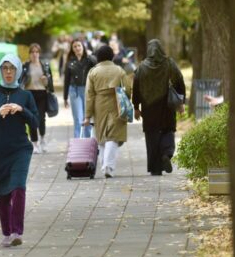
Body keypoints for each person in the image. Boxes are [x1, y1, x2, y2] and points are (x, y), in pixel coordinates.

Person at [0, 54, 39, 247]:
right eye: (5, 68)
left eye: (12, 68)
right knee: (3, 193)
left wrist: (22, 110)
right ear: (0, 71)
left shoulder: (26, 96)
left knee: (18, 187)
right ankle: (7, 233)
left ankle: (17, 232)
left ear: (19, 70)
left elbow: (35, 122)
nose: (9, 72)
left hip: (20, 150)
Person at [132, 39, 186, 176]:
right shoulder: (169, 63)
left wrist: (136, 107)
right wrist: (181, 102)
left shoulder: (142, 67)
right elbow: (179, 81)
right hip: (166, 105)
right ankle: (167, 153)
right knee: (168, 130)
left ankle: (155, 168)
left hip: (149, 107)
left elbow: (136, 87)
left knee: (152, 136)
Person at [83, 45, 131, 178]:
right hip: (116, 103)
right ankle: (108, 167)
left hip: (99, 105)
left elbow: (89, 94)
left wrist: (87, 115)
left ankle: (105, 165)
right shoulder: (119, 70)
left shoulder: (93, 72)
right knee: (113, 135)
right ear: (112, 56)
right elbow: (127, 89)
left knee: (101, 137)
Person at [19, 43, 55, 154]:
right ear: (29, 54)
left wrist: (46, 81)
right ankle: (34, 143)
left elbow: (50, 83)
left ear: (39, 53)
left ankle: (43, 140)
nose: (34, 54)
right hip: (30, 94)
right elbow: (21, 81)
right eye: (32, 52)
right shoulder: (25, 66)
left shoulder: (45, 66)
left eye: (36, 52)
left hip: (42, 94)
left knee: (41, 118)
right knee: (31, 119)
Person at [63, 39, 97, 138]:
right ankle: (77, 142)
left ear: (83, 47)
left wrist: (91, 55)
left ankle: (88, 141)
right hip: (75, 91)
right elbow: (66, 80)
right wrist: (65, 98)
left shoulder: (89, 59)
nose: (77, 48)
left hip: (88, 90)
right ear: (72, 49)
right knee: (78, 118)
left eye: (79, 46)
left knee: (88, 117)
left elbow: (97, 65)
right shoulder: (70, 62)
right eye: (75, 46)